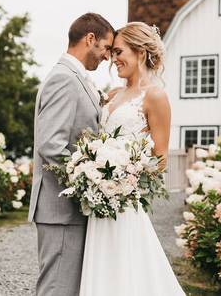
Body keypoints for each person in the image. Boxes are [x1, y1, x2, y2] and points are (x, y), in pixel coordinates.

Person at [79, 22, 185, 296]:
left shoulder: (155, 97)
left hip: (124, 200)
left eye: (118, 52)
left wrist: (126, 182)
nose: (113, 60)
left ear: (140, 52)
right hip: (99, 196)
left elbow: (160, 157)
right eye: (112, 53)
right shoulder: (112, 95)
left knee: (129, 270)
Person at [28, 12, 114, 295]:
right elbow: (51, 145)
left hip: (67, 210)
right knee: (57, 288)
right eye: (105, 49)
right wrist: (91, 183)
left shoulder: (77, 78)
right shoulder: (65, 78)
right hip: (60, 208)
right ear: (90, 39)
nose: (106, 58)